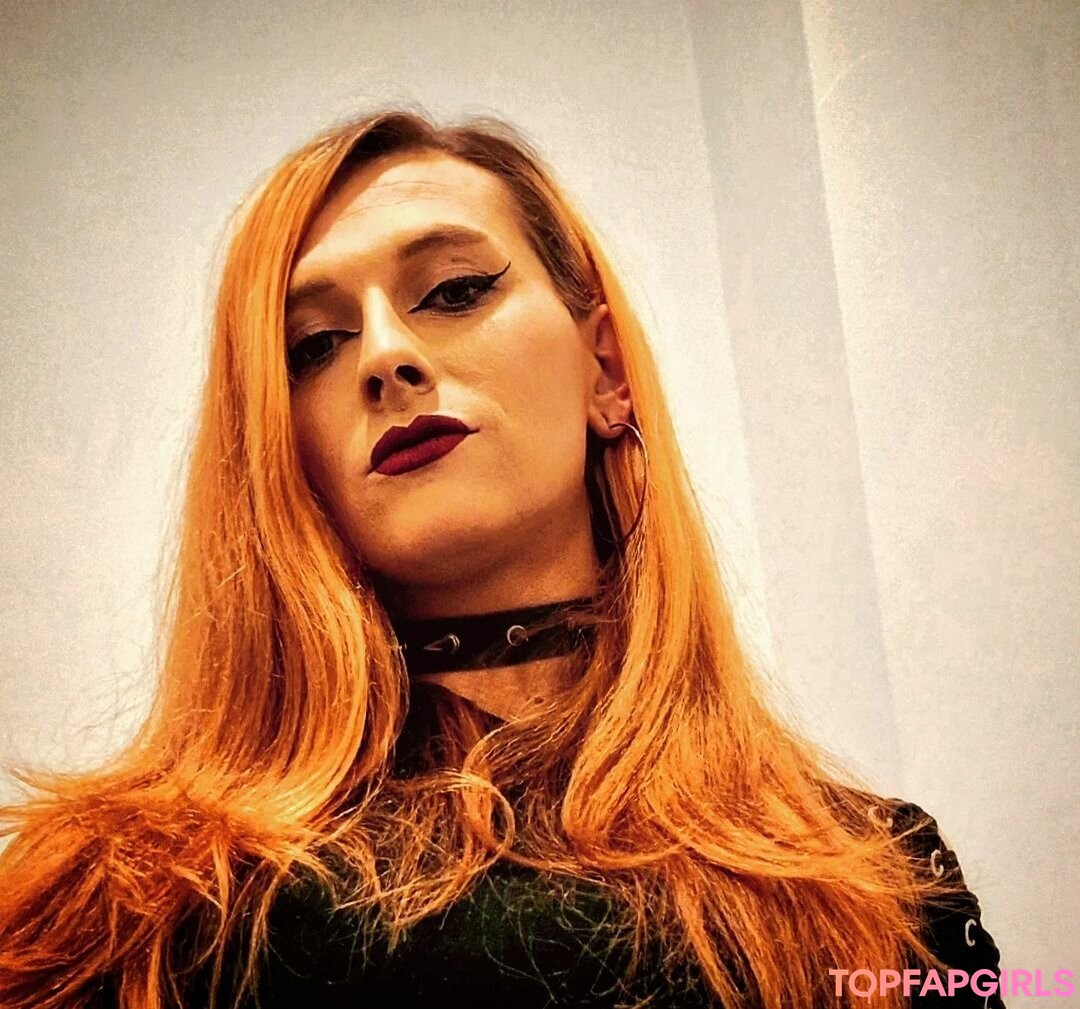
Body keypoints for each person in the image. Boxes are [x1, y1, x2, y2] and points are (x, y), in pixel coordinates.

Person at [0, 108, 1005, 1009]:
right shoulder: (122, 908)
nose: (384, 356)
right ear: (275, 445)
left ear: (604, 367)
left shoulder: (877, 881)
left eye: (453, 289)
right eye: (311, 345)